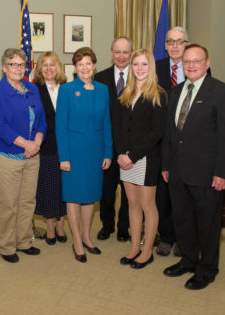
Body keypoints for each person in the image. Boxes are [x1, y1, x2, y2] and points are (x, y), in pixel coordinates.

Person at [162, 44, 225, 290]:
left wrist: (222, 173)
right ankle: (189, 259)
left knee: (208, 223)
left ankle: (208, 268)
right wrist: (165, 165)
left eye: (197, 61)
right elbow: (170, 134)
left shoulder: (222, 92)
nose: (191, 65)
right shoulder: (175, 91)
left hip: (207, 173)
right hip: (177, 171)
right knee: (182, 219)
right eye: (187, 61)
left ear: (207, 63)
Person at [0, 48, 46, 263]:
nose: (19, 68)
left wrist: (36, 142)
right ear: (4, 67)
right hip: (6, 154)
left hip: (32, 155)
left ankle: (23, 241)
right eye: (13, 64)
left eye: (22, 64)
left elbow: (41, 120)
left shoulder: (32, 87)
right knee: (7, 203)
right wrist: (25, 144)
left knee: (27, 201)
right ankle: (6, 245)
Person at [56, 47, 112, 263]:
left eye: (88, 63)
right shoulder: (67, 90)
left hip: (95, 152)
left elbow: (106, 122)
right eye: (80, 64)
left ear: (94, 65)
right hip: (73, 153)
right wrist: (64, 157)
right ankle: (76, 240)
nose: (85, 68)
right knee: (73, 196)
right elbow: (61, 126)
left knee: (90, 197)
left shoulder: (103, 90)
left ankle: (87, 236)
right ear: (75, 68)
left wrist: (108, 151)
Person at [113, 49, 167, 269]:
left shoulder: (159, 94)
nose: (140, 68)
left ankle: (147, 251)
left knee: (147, 205)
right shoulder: (126, 92)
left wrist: (132, 156)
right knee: (132, 205)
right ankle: (134, 247)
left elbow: (156, 132)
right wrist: (120, 155)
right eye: (136, 64)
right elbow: (119, 128)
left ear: (151, 67)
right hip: (125, 159)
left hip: (144, 159)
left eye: (144, 64)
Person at [155, 26, 189, 257]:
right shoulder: (154, 69)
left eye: (180, 41)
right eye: (170, 41)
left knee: (184, 192)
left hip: (187, 142)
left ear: (187, 44)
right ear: (165, 46)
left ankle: (182, 237)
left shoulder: (194, 67)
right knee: (163, 193)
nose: (175, 45)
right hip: (160, 140)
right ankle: (165, 236)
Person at [95, 36, 132, 242]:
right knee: (106, 191)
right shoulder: (100, 78)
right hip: (106, 146)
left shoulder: (139, 77)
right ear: (111, 53)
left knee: (128, 192)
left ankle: (124, 227)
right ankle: (107, 225)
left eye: (125, 52)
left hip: (129, 147)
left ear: (131, 54)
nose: (121, 56)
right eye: (117, 52)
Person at [34, 52, 67, 245]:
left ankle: (61, 224)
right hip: (45, 146)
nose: (48, 69)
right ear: (39, 69)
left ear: (58, 67)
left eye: (52, 65)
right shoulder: (34, 89)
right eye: (44, 65)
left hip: (65, 146)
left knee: (63, 187)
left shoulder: (67, 89)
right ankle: (49, 226)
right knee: (47, 187)